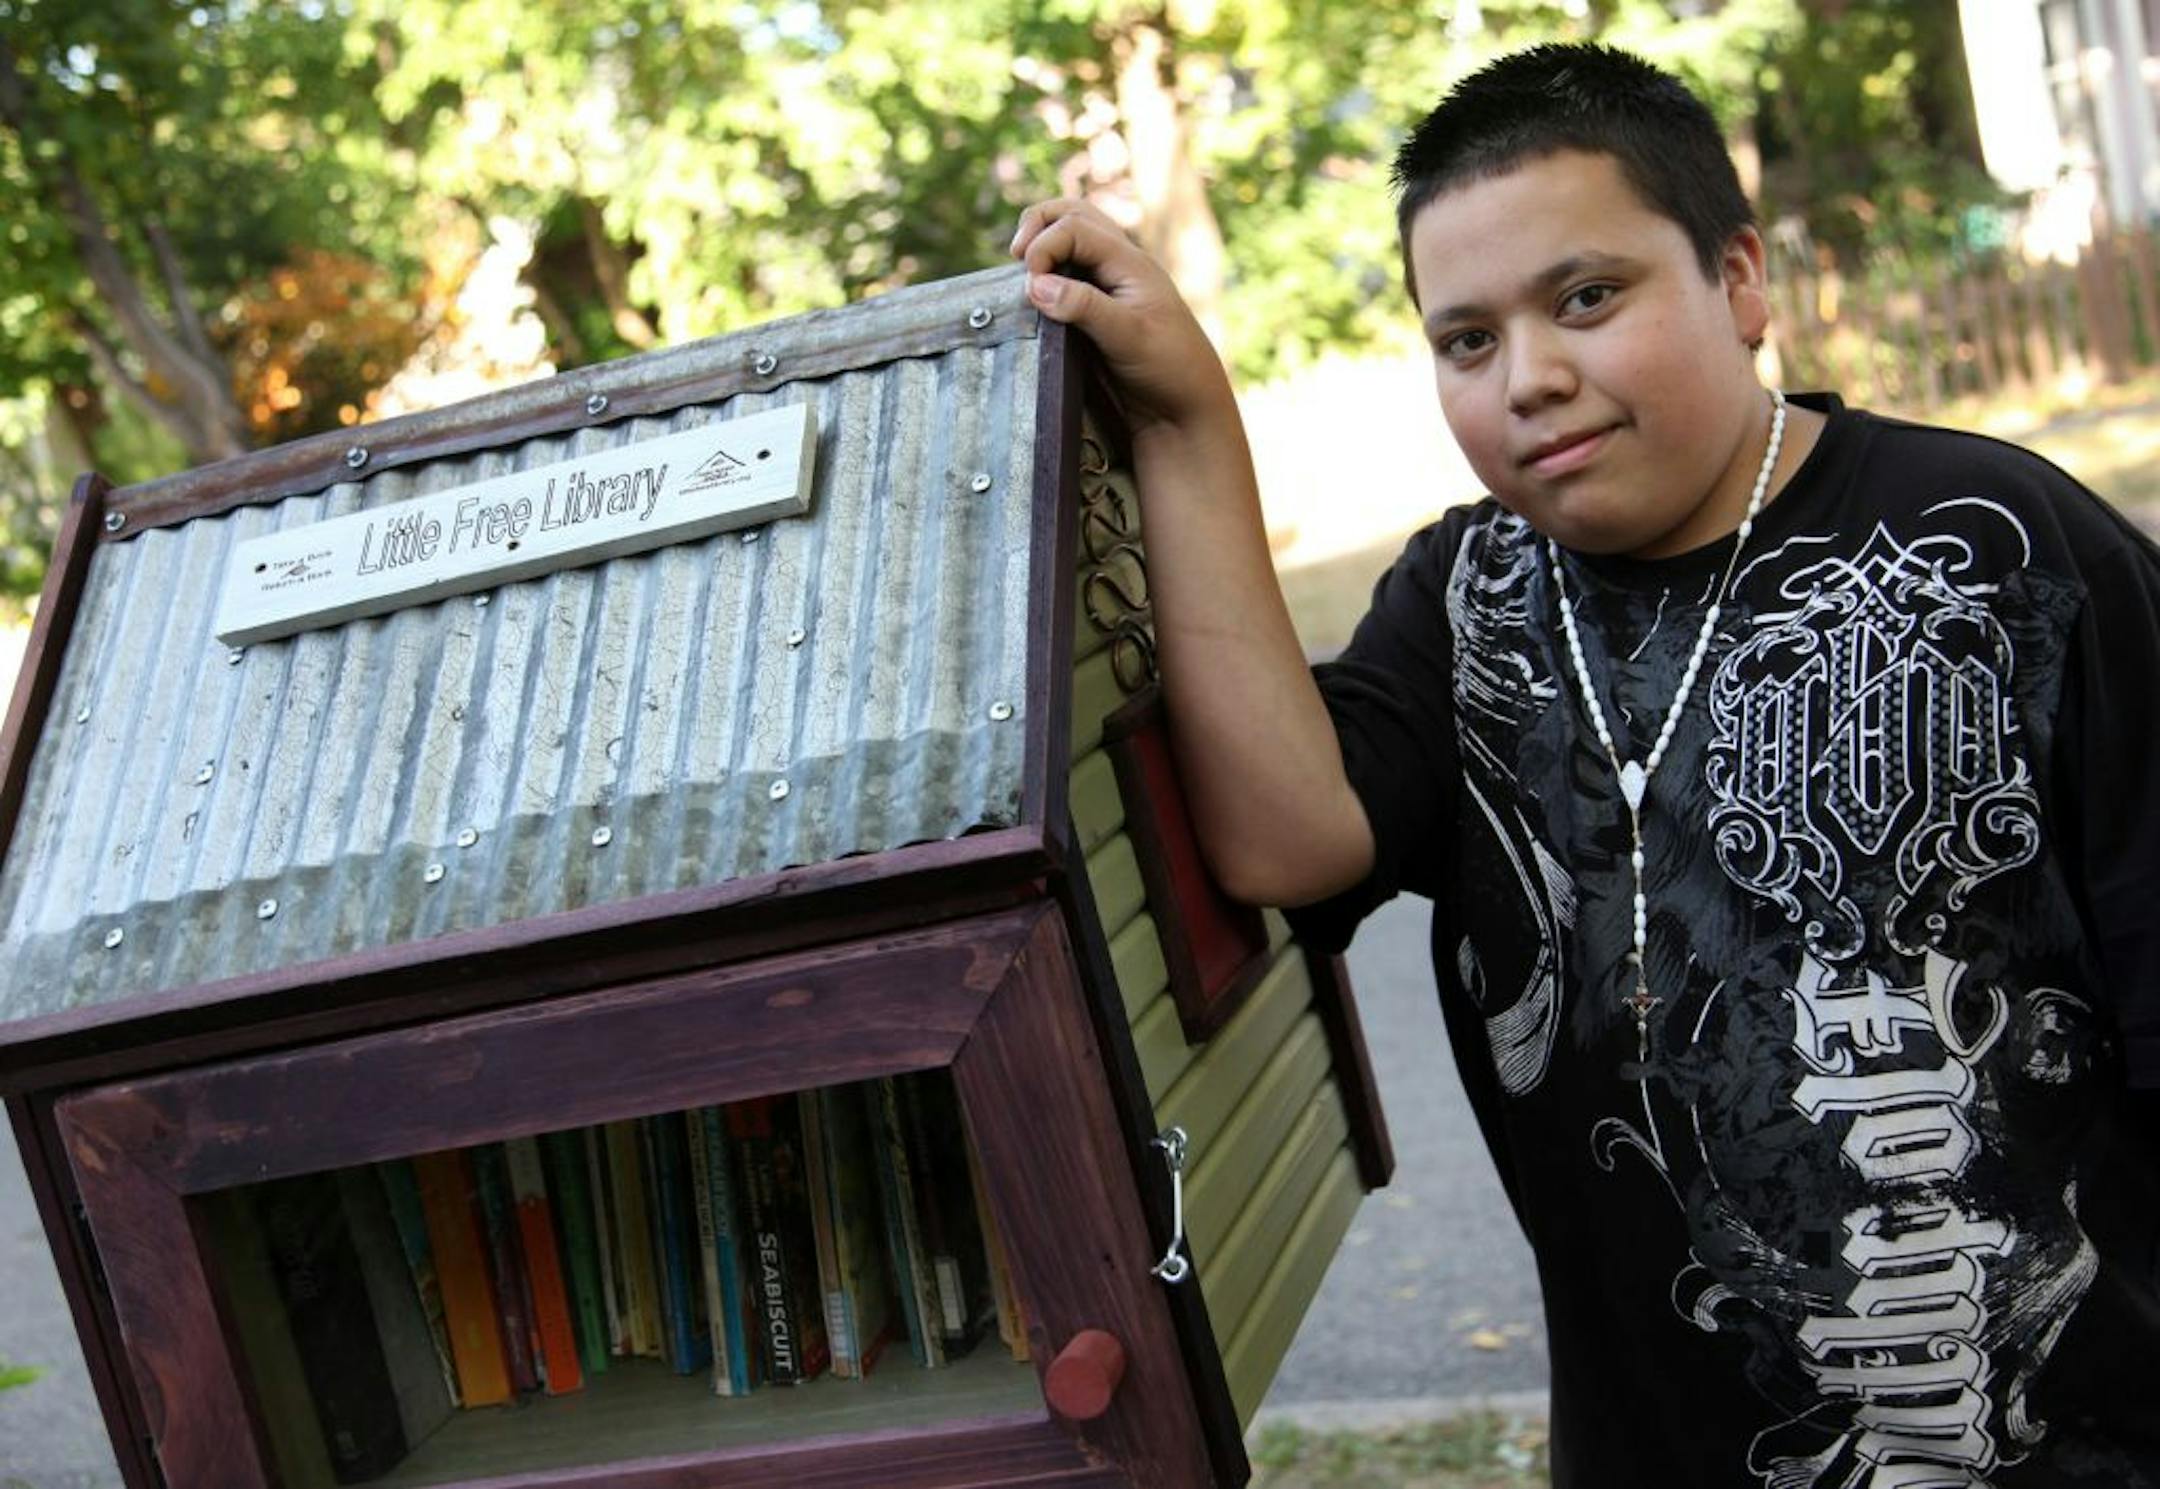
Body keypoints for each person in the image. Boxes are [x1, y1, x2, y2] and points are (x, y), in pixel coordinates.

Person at [1011, 41, 2160, 1489]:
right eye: (1467, 340)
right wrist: (1186, 421)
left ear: (1740, 282)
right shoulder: (1465, 604)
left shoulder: (2007, 549)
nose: (1532, 379)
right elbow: (1285, 839)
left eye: (1588, 298)